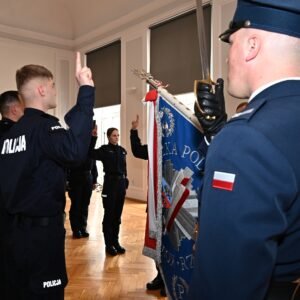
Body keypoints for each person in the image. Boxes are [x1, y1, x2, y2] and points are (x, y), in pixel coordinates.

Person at [188, 1, 300, 300]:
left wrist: (230, 138)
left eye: (230, 41)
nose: (227, 57)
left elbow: (224, 286)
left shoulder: (246, 138)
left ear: (251, 44)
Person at [0, 52, 95, 300]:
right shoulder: (43, 127)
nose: (55, 90)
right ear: (42, 90)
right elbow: (75, 152)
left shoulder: (9, 135)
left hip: (12, 235)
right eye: (52, 86)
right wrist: (86, 90)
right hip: (40, 239)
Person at [130, 114, 167, 297]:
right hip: (155, 204)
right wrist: (133, 130)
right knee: (157, 242)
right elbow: (137, 151)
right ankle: (160, 276)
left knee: (172, 243)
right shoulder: (154, 148)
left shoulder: (178, 146)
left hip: (173, 207)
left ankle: (170, 278)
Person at [90, 127, 128, 256]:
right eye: (114, 135)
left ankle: (116, 242)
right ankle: (108, 244)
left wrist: (125, 182)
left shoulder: (122, 151)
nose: (116, 137)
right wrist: (93, 138)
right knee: (109, 215)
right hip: (110, 185)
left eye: (117, 135)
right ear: (108, 137)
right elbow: (90, 153)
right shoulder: (104, 150)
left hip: (121, 186)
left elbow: (124, 168)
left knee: (117, 216)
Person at [67, 121, 98, 239]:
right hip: (76, 177)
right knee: (76, 204)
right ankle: (76, 229)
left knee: (85, 204)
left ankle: (83, 227)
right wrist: (67, 181)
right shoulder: (74, 143)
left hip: (88, 178)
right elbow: (68, 164)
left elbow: (93, 163)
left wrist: (94, 179)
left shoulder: (89, 145)